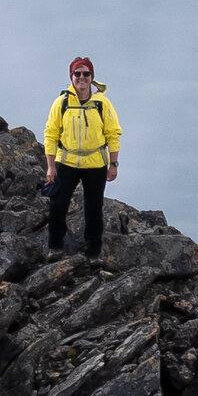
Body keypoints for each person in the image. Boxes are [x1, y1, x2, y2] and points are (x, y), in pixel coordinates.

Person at [43, 56, 121, 261]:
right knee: (58, 204)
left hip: (95, 163)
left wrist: (113, 164)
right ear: (71, 77)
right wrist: (51, 167)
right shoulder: (62, 102)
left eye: (86, 74)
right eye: (77, 73)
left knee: (94, 208)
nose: (81, 77)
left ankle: (93, 253)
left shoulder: (102, 104)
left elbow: (113, 133)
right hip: (66, 162)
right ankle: (55, 248)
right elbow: (50, 135)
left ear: (92, 77)